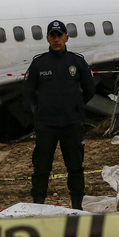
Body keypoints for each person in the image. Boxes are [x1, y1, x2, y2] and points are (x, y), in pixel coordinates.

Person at [23, 20, 95, 210]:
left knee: (75, 167)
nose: (56, 39)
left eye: (59, 35)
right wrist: (42, 107)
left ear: (66, 37)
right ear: (47, 38)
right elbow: (28, 91)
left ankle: (77, 204)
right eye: (53, 36)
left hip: (72, 124)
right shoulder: (39, 63)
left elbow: (89, 89)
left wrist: (76, 106)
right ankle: (38, 204)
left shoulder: (76, 62)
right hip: (47, 125)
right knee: (41, 167)